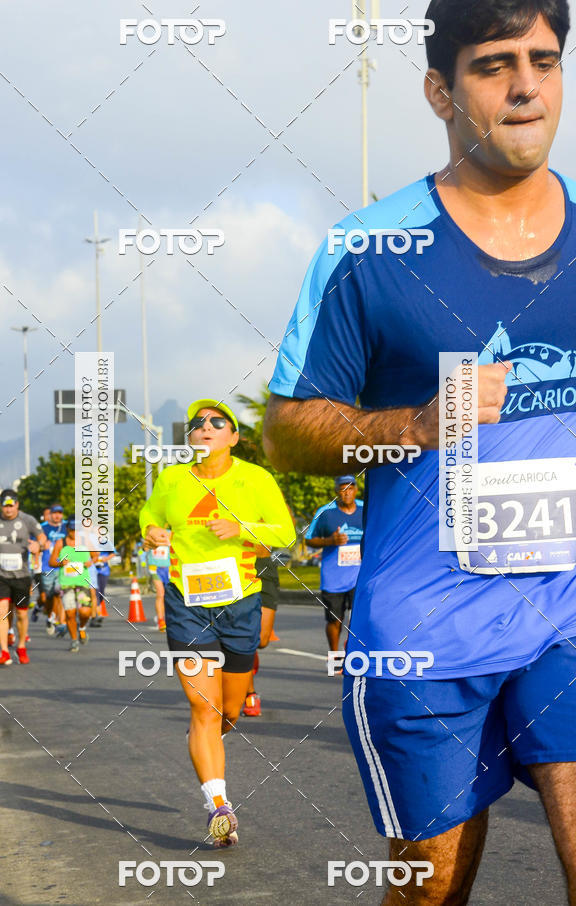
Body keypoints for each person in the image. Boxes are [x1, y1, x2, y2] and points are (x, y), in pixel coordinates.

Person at [263, 1, 576, 902]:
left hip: (565, 612)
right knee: (431, 891)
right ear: (441, 90)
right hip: (426, 634)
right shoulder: (370, 249)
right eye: (494, 66)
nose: (526, 86)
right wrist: (413, 426)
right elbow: (285, 430)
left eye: (544, 60)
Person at [140, 398, 295, 847]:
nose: (205, 427)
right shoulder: (172, 479)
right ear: (189, 437)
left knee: (228, 711)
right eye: (197, 423)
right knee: (203, 709)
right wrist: (150, 530)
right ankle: (219, 806)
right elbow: (149, 514)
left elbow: (285, 533)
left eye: (217, 422)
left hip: (240, 604)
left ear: (234, 436)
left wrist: (241, 526)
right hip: (186, 604)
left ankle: (206, 738)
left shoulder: (255, 478)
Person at [0, 489, 47, 665]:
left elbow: (42, 537)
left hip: (21, 576)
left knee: (21, 614)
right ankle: (4, 651)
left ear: (17, 505)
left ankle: (21, 646)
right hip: (0, 575)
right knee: (1, 611)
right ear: (1, 506)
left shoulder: (27, 520)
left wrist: (38, 545)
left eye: (11, 506)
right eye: (5, 506)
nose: (8, 509)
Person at [305, 476, 364, 655]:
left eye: (350, 488)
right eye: (343, 489)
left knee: (358, 620)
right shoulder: (325, 512)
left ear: (356, 490)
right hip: (333, 579)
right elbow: (309, 540)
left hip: (359, 577)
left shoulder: (366, 509)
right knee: (335, 620)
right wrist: (330, 540)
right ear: (336, 491)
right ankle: (335, 655)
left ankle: (353, 655)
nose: (347, 493)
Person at [242, 547, 281, 717]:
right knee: (245, 639)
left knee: (261, 640)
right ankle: (249, 693)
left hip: (264, 564)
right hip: (237, 563)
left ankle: (245, 658)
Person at [49, 516, 96, 653]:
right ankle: (74, 640)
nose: (74, 532)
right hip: (67, 584)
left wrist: (90, 562)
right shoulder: (61, 543)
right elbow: (51, 562)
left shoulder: (85, 541)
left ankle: (82, 628)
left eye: (77, 530)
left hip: (82, 583)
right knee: (70, 614)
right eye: (72, 530)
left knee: (85, 612)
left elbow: (95, 555)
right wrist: (60, 563)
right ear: (67, 529)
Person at [39, 504, 68, 636]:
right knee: (49, 597)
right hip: (47, 566)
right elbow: (34, 544)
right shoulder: (43, 527)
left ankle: (61, 622)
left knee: (60, 593)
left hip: (62, 566)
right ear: (50, 514)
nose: (57, 515)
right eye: (55, 513)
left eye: (60, 513)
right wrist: (41, 546)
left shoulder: (67, 526)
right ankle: (50, 616)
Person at [147, 540, 169, 632]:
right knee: (160, 594)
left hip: (170, 568)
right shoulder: (150, 533)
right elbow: (145, 547)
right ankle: (161, 620)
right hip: (155, 568)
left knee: (170, 595)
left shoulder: (171, 533)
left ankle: (169, 618)